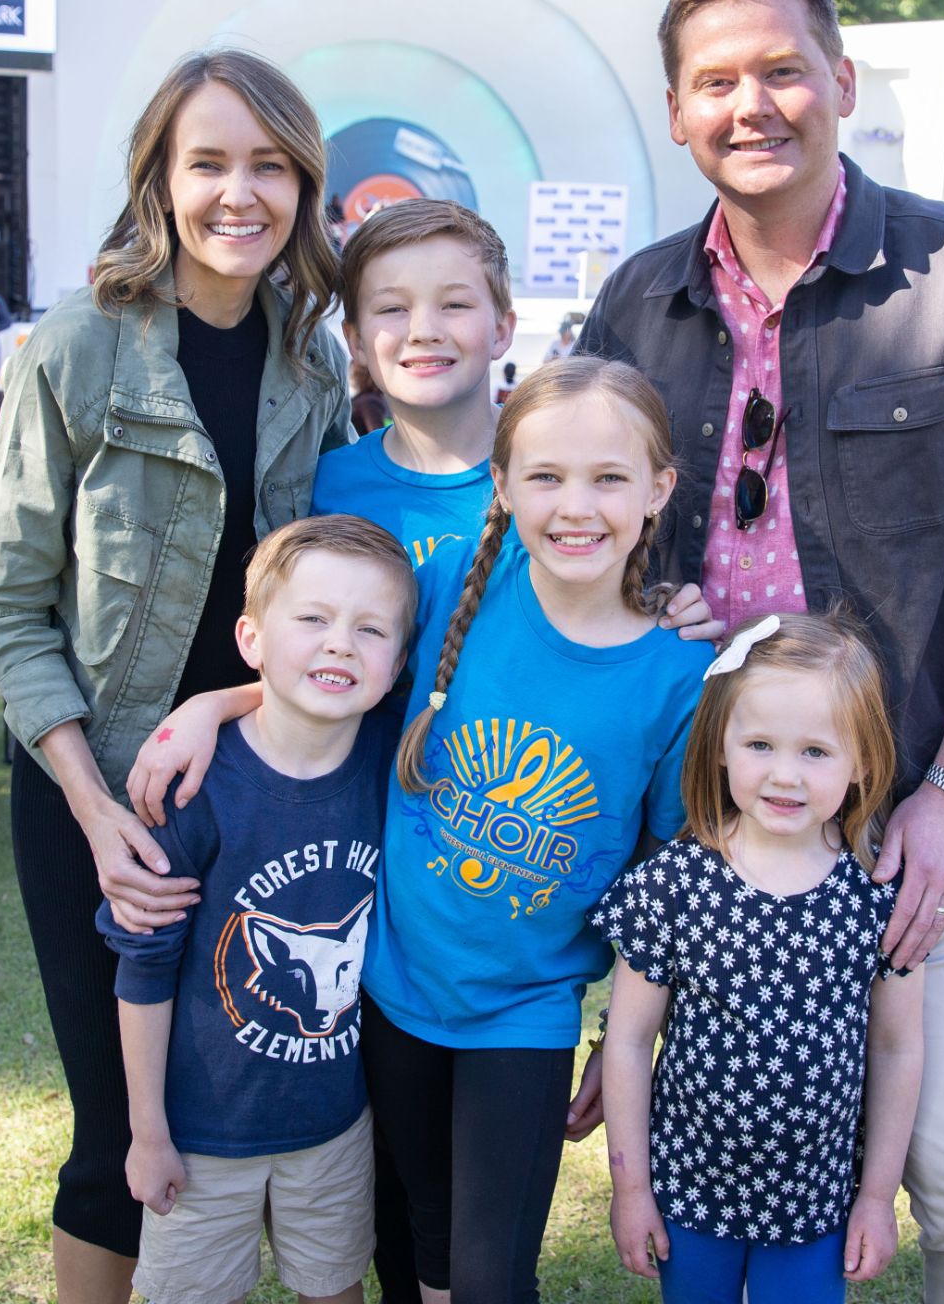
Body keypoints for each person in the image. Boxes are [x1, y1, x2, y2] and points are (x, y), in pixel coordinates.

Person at [575, 0, 944, 1303]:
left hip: (898, 824)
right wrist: (642, 593)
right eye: (717, 81)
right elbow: (568, 526)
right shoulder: (635, 301)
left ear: (842, 83)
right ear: (679, 113)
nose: (754, 105)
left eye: (783, 70)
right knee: (709, 1179)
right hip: (697, 834)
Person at [130, 359, 721, 1304]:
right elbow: (337, 673)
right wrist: (212, 703)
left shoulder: (678, 676)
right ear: (502, 483)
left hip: (522, 1017)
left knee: (486, 1281)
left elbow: (670, 878)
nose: (577, 506)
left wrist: (627, 1043)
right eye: (546, 476)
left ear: (658, 490)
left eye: (610, 478)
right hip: (389, 991)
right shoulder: (456, 586)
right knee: (408, 1249)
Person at [0, 50, 349, 1304]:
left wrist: (222, 704)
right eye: (209, 163)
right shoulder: (77, 347)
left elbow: (328, 595)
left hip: (264, 788)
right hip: (92, 794)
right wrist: (95, 809)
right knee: (117, 1134)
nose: (240, 193)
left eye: (269, 165)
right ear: (159, 180)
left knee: (261, 1107)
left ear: (302, 182)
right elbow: (10, 609)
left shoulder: (316, 359)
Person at [100, 517, 415, 1304]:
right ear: (251, 638)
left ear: (398, 662)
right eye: (312, 619)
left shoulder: (394, 762)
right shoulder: (194, 786)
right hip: (203, 1134)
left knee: (336, 1288)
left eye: (370, 629)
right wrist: (148, 1133)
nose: (340, 643)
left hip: (335, 1127)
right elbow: (144, 970)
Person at [593, 612, 923, 1302]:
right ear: (720, 745)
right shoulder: (674, 887)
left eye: (815, 752)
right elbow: (626, 1041)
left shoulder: (877, 902)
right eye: (761, 744)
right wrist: (632, 1191)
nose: (783, 775)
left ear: (862, 760)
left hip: (815, 1208)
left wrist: (876, 1197)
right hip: (690, 1196)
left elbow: (896, 1049)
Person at [313, 199, 515, 566]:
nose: (424, 332)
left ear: (501, 331)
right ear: (356, 341)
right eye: (393, 308)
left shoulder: (559, 473)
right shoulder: (323, 488)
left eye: (454, 304)